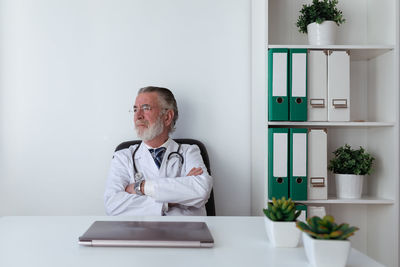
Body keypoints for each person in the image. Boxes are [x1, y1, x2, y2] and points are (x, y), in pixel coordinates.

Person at [104, 86, 213, 216]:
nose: (138, 116)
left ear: (167, 117)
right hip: (140, 234)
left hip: (186, 232)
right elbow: (113, 204)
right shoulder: (123, 156)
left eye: (145, 108)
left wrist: (140, 187)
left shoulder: (189, 151)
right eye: (135, 109)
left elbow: (201, 190)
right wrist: (172, 200)